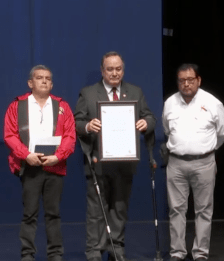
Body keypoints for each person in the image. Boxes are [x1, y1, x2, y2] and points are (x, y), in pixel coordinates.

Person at [74, 51, 156, 261]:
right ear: (102, 70)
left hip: (125, 161)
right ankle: (94, 252)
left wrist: (146, 123)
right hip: (98, 162)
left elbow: (149, 116)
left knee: (119, 209)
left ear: (123, 69)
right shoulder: (89, 93)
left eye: (118, 68)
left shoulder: (135, 91)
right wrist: (88, 126)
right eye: (109, 69)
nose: (114, 73)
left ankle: (116, 249)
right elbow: (76, 123)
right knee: (96, 211)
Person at [4, 65, 76, 261]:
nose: (44, 81)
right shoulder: (17, 106)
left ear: (52, 84)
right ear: (30, 83)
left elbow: (70, 136)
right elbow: (10, 135)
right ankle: (27, 255)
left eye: (47, 78)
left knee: (54, 213)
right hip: (30, 166)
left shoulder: (63, 106)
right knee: (30, 213)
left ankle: (55, 255)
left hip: (55, 166)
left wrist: (58, 157)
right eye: (39, 78)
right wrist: (25, 154)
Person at [162, 64, 224, 261]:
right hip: (176, 163)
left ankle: (200, 253)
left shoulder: (212, 103)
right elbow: (167, 130)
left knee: (203, 210)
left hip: (204, 163)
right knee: (176, 210)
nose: (186, 84)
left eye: (190, 80)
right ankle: (177, 253)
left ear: (198, 80)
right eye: (182, 80)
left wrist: (208, 149)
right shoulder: (170, 103)